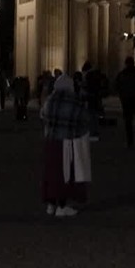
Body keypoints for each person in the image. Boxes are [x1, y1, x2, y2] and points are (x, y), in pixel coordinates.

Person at [40, 73, 91, 217]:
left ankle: (51, 204)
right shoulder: (74, 102)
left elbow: (43, 115)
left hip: (51, 141)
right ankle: (62, 205)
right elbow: (84, 119)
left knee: (51, 173)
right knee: (65, 174)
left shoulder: (50, 101)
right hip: (67, 142)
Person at [115, 56, 135, 148]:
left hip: (127, 101)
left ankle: (130, 142)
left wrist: (122, 95)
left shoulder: (122, 75)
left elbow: (117, 86)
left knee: (128, 123)